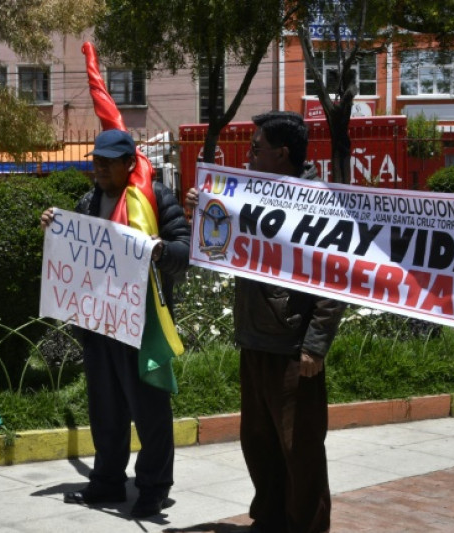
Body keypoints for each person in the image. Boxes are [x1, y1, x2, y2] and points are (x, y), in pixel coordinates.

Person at [186, 111, 346, 532]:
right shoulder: (249, 194)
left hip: (292, 347)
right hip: (254, 338)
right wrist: (204, 211)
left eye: (256, 149)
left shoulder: (318, 203)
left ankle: (306, 526)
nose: (249, 156)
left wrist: (315, 343)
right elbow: (220, 247)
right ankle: (270, 519)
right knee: (258, 442)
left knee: (299, 448)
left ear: (283, 153)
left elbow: (337, 278)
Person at [40, 129, 191, 518]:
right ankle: (107, 481)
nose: (100, 168)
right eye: (96, 161)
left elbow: (184, 252)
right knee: (105, 409)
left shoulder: (156, 198)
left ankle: (153, 488)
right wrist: (54, 226)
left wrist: (161, 250)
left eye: (109, 162)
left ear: (129, 163)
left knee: (150, 411)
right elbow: (75, 250)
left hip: (143, 327)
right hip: (99, 324)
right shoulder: (88, 202)